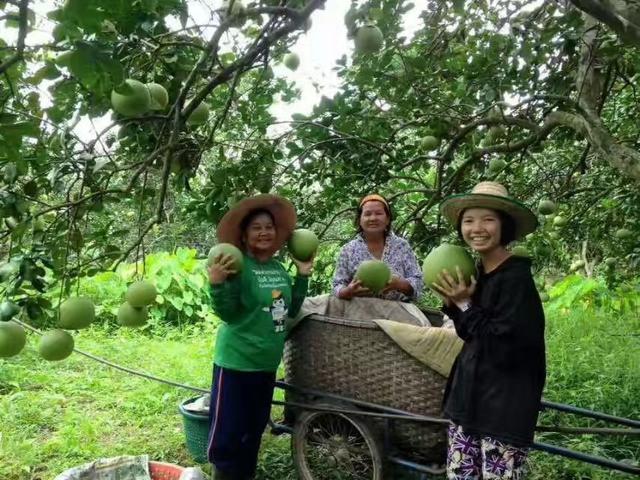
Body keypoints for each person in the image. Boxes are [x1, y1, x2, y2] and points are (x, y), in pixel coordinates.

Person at [432, 181, 546, 480]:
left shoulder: (516, 279)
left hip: (502, 412)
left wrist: (466, 304)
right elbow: (471, 335)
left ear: (504, 225)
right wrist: (455, 305)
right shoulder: (479, 272)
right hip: (470, 403)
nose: (477, 228)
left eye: (488, 219)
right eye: (468, 220)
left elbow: (504, 347)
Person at [206, 194, 314, 480]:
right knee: (228, 435)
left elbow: (290, 309)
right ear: (244, 235)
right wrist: (217, 284)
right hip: (236, 364)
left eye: (269, 227)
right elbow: (227, 313)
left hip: (265, 365)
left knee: (252, 431)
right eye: (256, 227)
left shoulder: (278, 269)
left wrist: (302, 276)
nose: (264, 232)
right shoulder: (238, 265)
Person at [332, 194, 423, 302]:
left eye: (379, 213)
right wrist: (347, 291)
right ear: (359, 220)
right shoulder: (348, 250)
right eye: (367, 214)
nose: (373, 218)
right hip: (358, 313)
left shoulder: (401, 246)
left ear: (388, 219)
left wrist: (401, 284)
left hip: (397, 313)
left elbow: (418, 282)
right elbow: (337, 285)